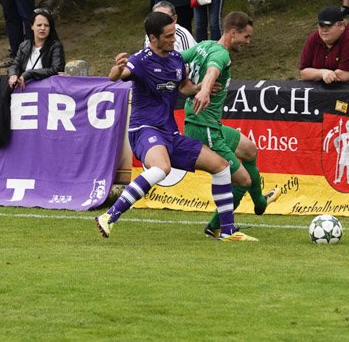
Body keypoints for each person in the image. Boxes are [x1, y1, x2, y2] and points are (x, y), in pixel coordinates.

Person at [95, 12, 257, 242]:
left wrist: (201, 88)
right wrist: (117, 69)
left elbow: (183, 87)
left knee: (221, 168)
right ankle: (110, 216)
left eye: (174, 35)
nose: (174, 40)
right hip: (144, 129)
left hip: (169, 132)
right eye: (169, 36)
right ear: (153, 38)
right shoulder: (141, 59)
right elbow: (117, 76)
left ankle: (228, 231)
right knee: (162, 168)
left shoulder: (176, 59)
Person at [181, 11, 280, 239]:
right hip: (203, 126)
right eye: (246, 36)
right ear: (233, 33)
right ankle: (221, 227)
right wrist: (204, 89)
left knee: (249, 149)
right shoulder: (221, 54)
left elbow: (177, 59)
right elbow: (213, 70)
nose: (248, 42)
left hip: (208, 123)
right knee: (243, 180)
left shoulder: (204, 45)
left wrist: (184, 83)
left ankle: (260, 203)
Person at [7, 8, 64, 89]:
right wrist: (13, 75)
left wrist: (29, 74)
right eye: (39, 25)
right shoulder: (24, 45)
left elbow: (56, 70)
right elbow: (15, 64)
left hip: (46, 89)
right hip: (23, 89)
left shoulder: (56, 46)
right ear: (32, 26)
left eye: (46, 25)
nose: (43, 28)